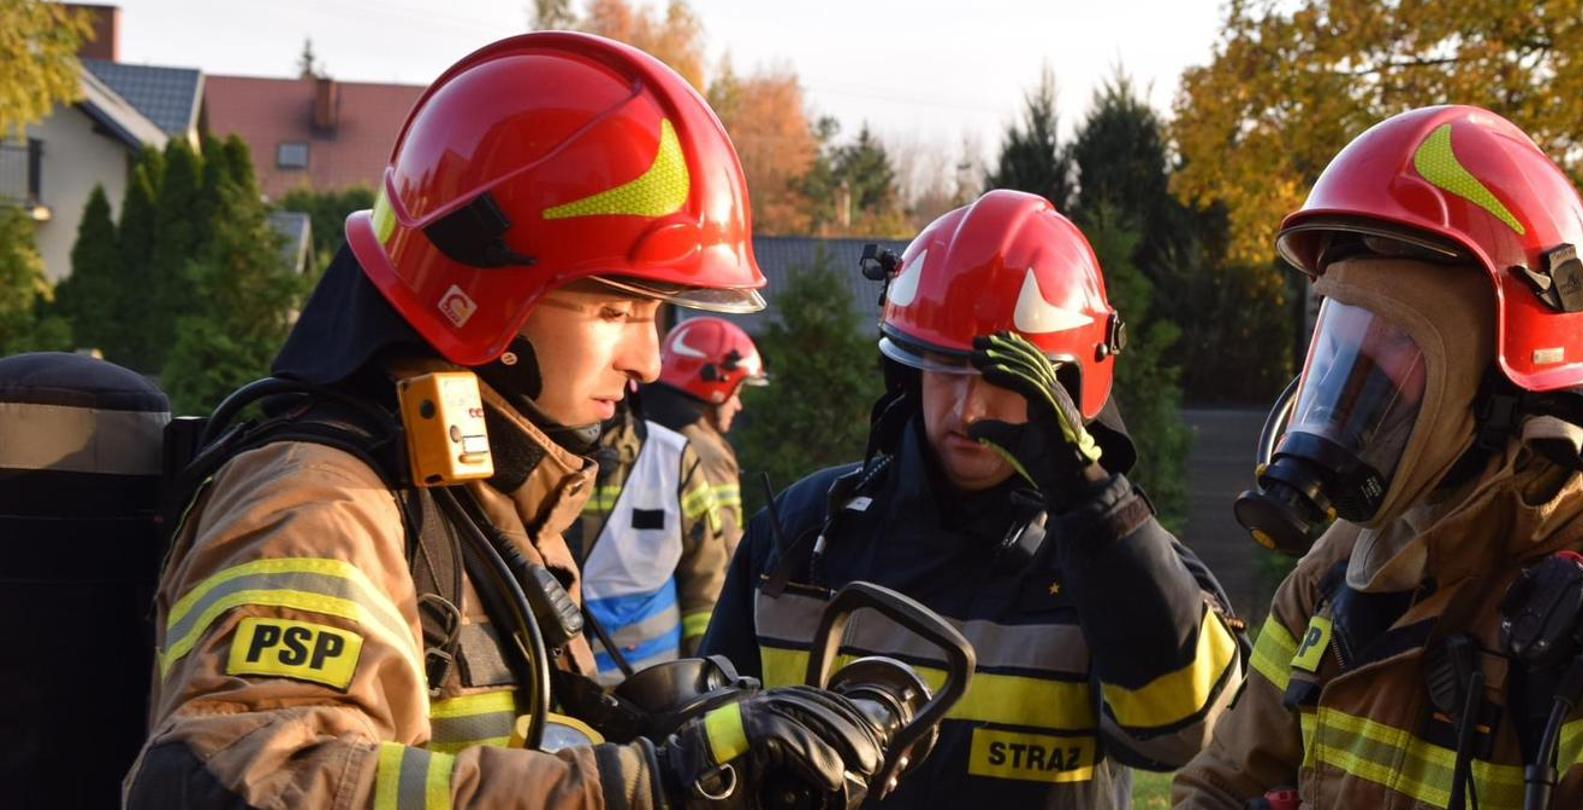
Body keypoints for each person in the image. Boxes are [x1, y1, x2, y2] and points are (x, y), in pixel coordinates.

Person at [127, 32, 886, 809]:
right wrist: (648, 785)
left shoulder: (481, 497)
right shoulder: (323, 508)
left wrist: (674, 740)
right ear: (485, 293)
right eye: (616, 307)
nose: (649, 361)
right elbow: (235, 784)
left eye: (656, 313)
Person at [1172, 105, 1583, 809]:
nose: (1349, 381)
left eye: (1396, 339)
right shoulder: (1334, 575)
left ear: (1502, 373)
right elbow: (1215, 787)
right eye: (1342, 337)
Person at [702, 189, 1247, 809]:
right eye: (943, 367)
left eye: (1002, 378)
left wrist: (1090, 505)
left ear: (1068, 386)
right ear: (906, 370)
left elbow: (1176, 735)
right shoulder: (802, 533)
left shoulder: (1123, 561)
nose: (967, 410)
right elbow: (705, 749)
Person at [572, 316, 765, 678]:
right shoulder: (699, 450)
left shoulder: (661, 441)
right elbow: (719, 563)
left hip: (635, 676)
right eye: (739, 391)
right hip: (647, 681)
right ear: (717, 383)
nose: (739, 406)